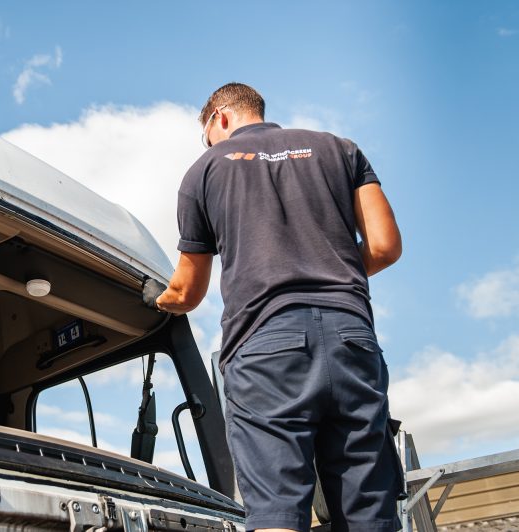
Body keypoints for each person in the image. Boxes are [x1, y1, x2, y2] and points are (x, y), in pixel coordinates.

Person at [144, 83, 403, 532]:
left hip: (266, 346)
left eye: (206, 135)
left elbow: (187, 292)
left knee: (276, 513)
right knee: (369, 515)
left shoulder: (204, 169)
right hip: (351, 338)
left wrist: (153, 296)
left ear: (220, 117)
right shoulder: (340, 149)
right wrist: (329, 268)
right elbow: (384, 246)